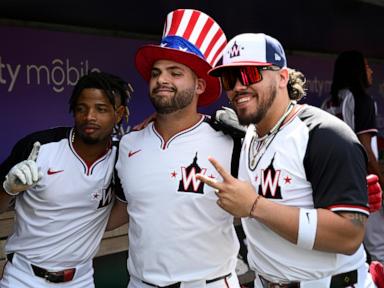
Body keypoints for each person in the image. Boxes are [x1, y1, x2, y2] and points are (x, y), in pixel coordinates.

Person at [196, 33, 376, 287]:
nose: (238, 86)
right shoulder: (247, 133)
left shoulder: (324, 134)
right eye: (229, 78)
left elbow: (349, 236)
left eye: (249, 74)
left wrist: (255, 206)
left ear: (282, 77)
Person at [107, 9, 242, 288]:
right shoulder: (130, 143)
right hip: (140, 283)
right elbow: (120, 209)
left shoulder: (230, 141)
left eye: (175, 72)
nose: (162, 80)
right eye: (156, 73)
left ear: (200, 85)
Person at [0, 71, 132, 288]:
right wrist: (9, 189)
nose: (89, 116)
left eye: (101, 109)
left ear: (119, 114)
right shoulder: (39, 147)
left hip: (80, 279)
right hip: (24, 278)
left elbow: (125, 208)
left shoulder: (122, 159)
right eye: (82, 108)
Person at [322, 50, 384, 286]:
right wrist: (380, 179)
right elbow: (366, 148)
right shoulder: (362, 99)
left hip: (334, 186)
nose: (371, 71)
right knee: (378, 245)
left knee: (346, 246)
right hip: (364, 184)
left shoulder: (328, 103)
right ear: (356, 70)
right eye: (366, 66)